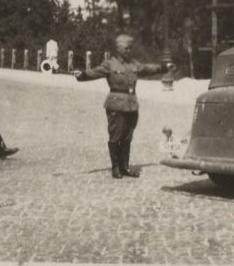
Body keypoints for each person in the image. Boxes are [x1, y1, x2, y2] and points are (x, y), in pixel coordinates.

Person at [74, 34, 175, 179]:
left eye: (130, 48)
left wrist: (165, 67)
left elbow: (148, 68)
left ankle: (125, 167)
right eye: (126, 48)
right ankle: (115, 168)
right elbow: (93, 72)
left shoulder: (133, 64)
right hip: (116, 104)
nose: (129, 50)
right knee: (115, 136)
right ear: (119, 48)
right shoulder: (110, 64)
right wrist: (81, 74)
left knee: (127, 137)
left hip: (132, 105)